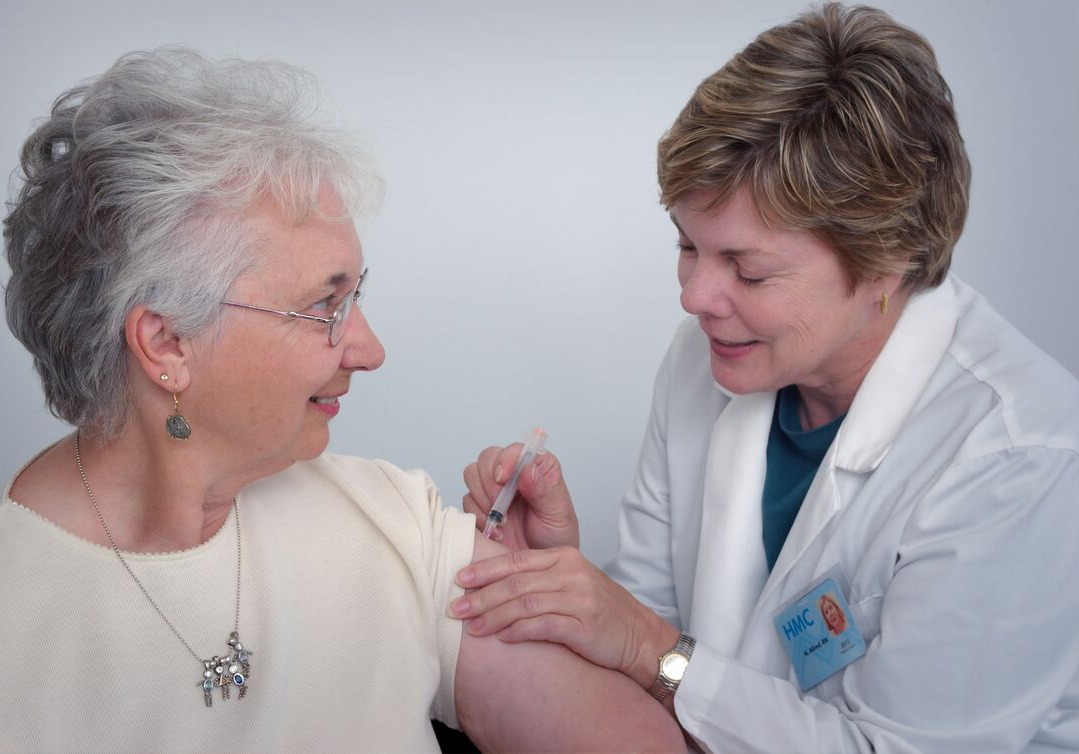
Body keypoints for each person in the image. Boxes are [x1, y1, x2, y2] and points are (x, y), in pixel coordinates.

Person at [0, 47, 684, 754]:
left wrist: (561, 611)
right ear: (166, 345)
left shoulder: (395, 529)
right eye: (324, 306)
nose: (369, 348)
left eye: (355, 295)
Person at [450, 4, 1079, 752]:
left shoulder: (1019, 457)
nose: (694, 297)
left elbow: (897, 746)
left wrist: (648, 645)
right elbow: (638, 639)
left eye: (747, 269)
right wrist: (562, 582)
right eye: (688, 246)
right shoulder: (704, 361)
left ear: (885, 259)